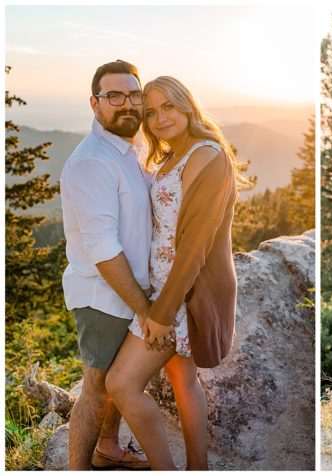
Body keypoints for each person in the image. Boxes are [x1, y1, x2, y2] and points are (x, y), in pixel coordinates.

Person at [105, 75, 245, 470]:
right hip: (164, 290)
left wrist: (161, 313)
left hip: (183, 293)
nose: (160, 118)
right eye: (151, 112)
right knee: (183, 379)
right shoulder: (170, 157)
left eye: (168, 106)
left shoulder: (207, 155)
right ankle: (198, 468)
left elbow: (195, 246)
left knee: (121, 384)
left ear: (186, 105)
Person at [60, 59, 151, 470]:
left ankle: (109, 447)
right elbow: (103, 250)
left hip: (130, 291)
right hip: (104, 297)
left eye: (134, 94)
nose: (126, 104)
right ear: (94, 104)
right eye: (114, 96)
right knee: (96, 388)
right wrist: (146, 308)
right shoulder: (92, 161)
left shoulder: (131, 145)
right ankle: (78, 468)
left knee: (120, 383)